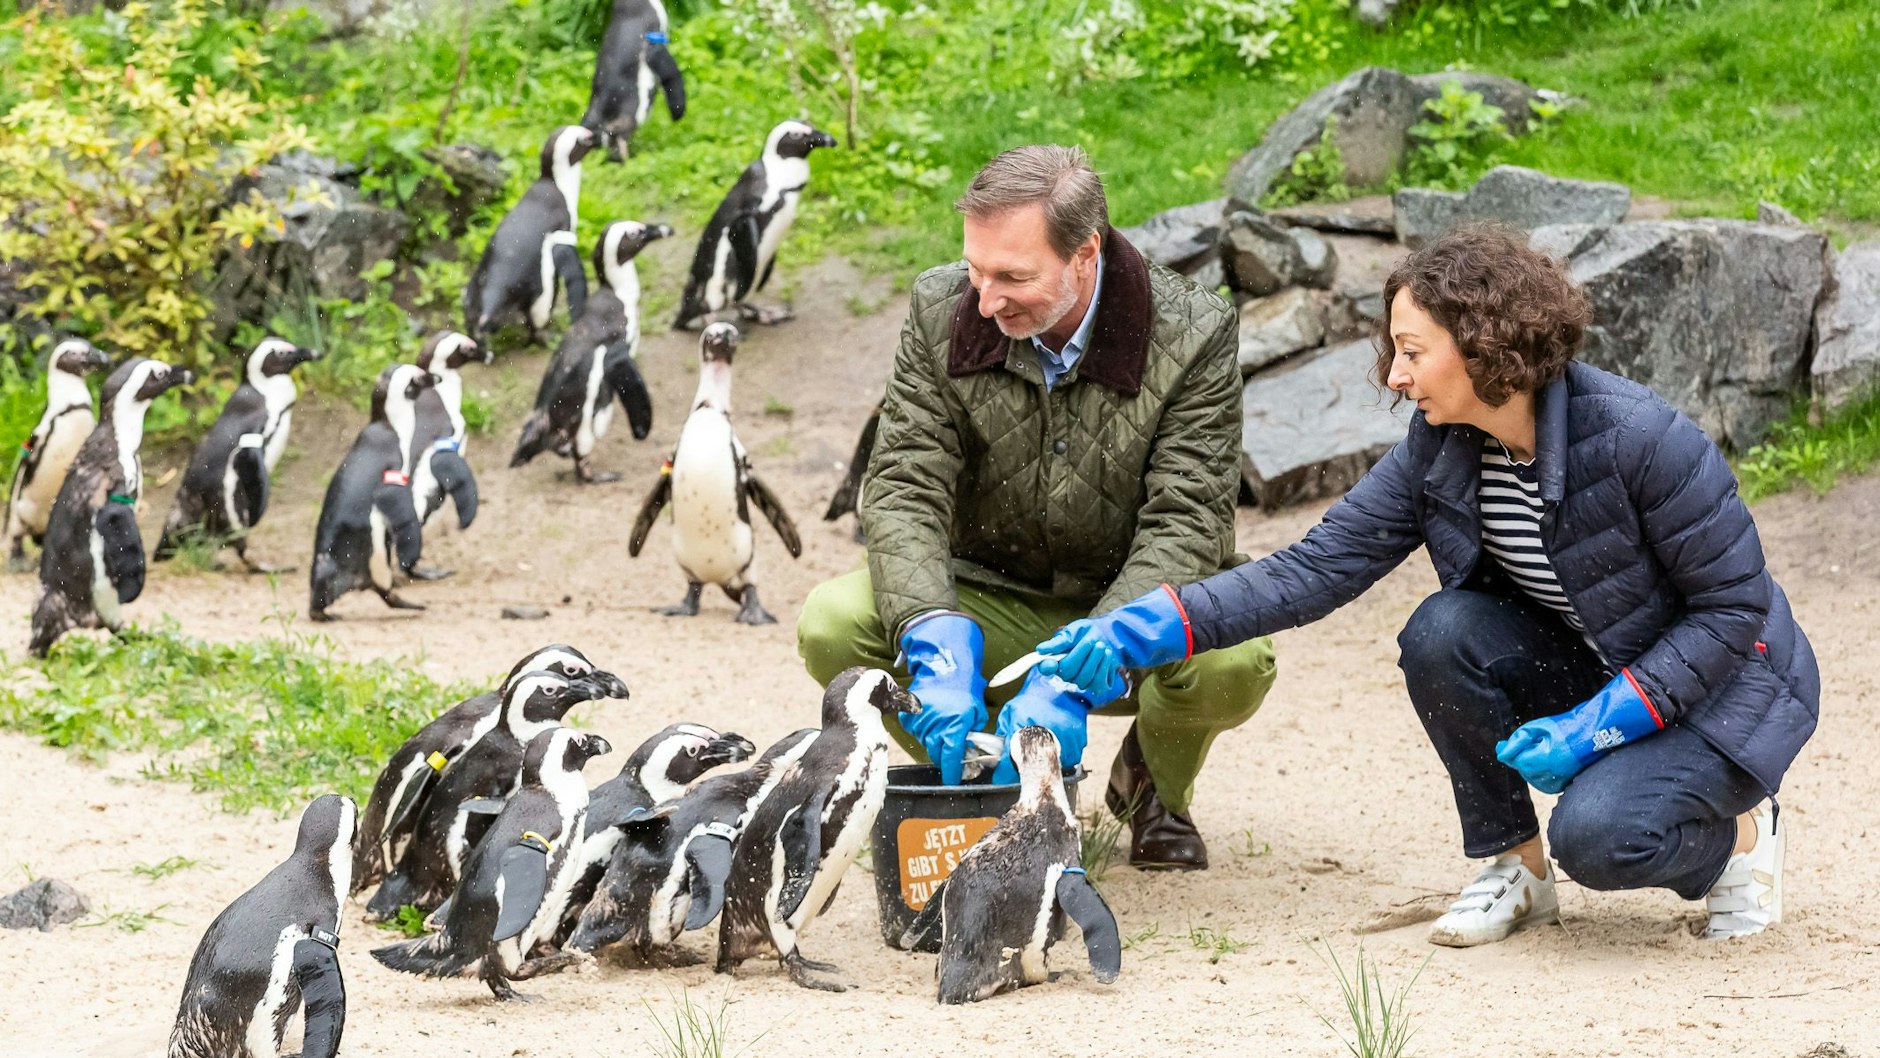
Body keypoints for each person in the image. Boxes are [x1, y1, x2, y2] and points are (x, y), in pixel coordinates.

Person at [1032, 223, 1818, 943]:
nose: (1397, 376)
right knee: (1442, 631)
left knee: (1600, 839)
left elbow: (1729, 610)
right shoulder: (1440, 447)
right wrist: (1147, 626)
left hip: (1728, 686)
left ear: (1486, 345)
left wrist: (1600, 725)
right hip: (1600, 661)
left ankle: (1743, 842)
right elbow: (1314, 568)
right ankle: (1518, 871)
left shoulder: (1641, 438)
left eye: (1413, 351)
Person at [796, 145, 1277, 870]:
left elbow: (1189, 518)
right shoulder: (940, 308)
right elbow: (903, 486)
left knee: (1233, 662)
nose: (984, 302)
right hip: (985, 600)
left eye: (1012, 277)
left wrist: (1104, 644)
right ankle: (985, 782)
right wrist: (931, 630)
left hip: (1125, 608)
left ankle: (1154, 784)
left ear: (1085, 255)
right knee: (833, 627)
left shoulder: (1196, 331)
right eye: (975, 270)